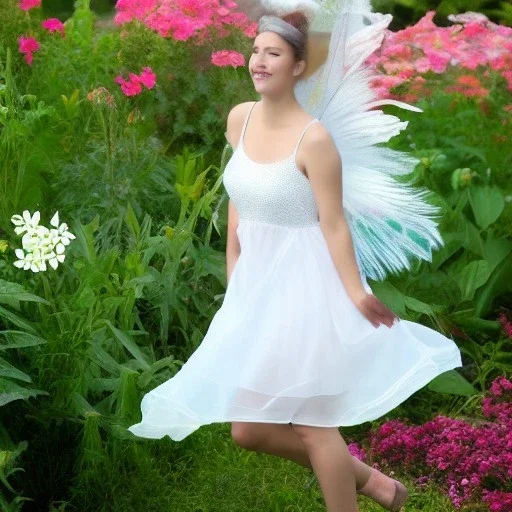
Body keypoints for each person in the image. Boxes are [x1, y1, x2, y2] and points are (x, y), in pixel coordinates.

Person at [128, 2, 463, 511]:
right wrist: (236, 285)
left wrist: (355, 292)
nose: (259, 61)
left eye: (274, 53)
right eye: (256, 51)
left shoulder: (315, 140)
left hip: (307, 286)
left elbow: (333, 224)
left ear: (299, 66)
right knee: (248, 429)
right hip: (257, 286)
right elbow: (239, 204)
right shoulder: (239, 120)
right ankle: (374, 483)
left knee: (312, 424)